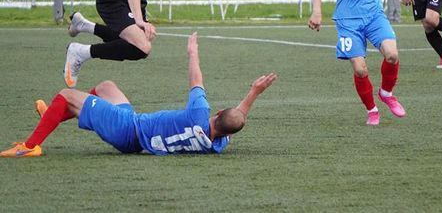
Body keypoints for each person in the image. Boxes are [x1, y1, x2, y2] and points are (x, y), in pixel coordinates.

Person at [1, 33, 278, 157]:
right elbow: (236, 119)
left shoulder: (198, 114)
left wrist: (192, 52)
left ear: (216, 113)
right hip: (136, 132)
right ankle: (52, 116)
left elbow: (196, 80)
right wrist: (254, 92)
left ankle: (30, 146)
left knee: (67, 94)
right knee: (108, 86)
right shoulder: (215, 145)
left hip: (128, 130)